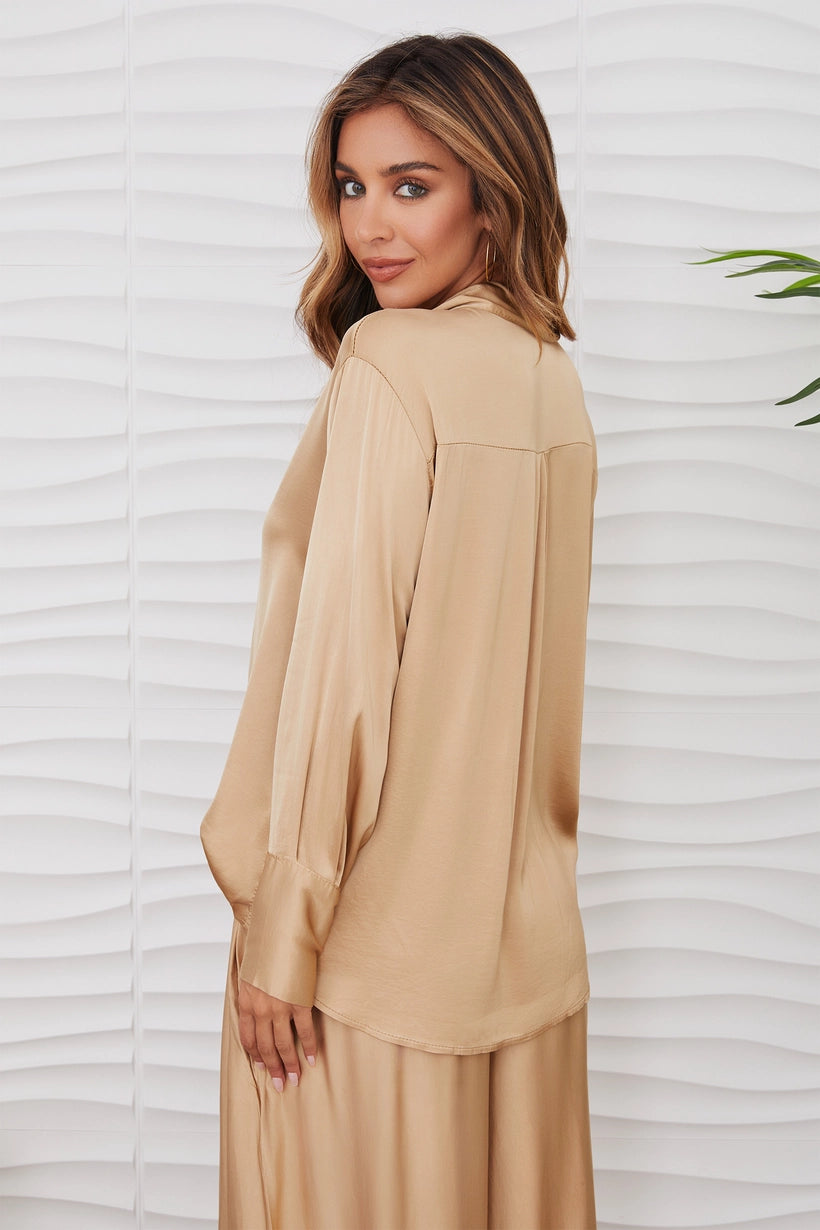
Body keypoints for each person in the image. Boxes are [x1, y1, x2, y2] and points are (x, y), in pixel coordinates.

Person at [201, 30, 598, 1230]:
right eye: (351, 186)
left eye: (411, 186)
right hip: (520, 958)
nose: (370, 225)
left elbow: (345, 672)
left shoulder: (389, 363)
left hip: (360, 969)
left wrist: (285, 930)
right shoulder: (547, 378)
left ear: (493, 193)